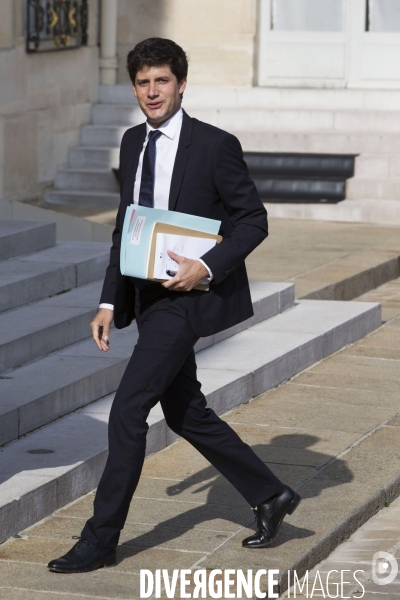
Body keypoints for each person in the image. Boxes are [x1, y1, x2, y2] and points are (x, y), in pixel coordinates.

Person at [48, 37, 300, 574]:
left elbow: (253, 219)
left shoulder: (215, 145)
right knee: (186, 411)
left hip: (188, 297)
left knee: (127, 410)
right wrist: (107, 300)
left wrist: (205, 265)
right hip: (147, 295)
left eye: (162, 80)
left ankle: (101, 537)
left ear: (181, 84)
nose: (152, 91)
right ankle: (270, 494)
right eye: (143, 82)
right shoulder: (132, 142)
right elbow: (126, 227)